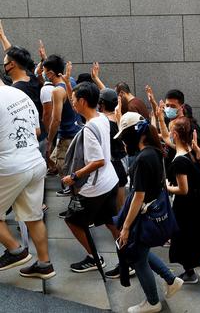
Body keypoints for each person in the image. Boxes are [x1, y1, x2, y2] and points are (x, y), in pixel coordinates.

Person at [115, 112, 183, 313]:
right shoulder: (155, 151)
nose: (124, 142)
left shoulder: (143, 158)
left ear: (135, 135)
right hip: (152, 211)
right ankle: (170, 279)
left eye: (124, 137)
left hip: (143, 214)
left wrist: (126, 227)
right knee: (141, 253)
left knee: (138, 258)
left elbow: (138, 196)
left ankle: (153, 302)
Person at [62, 82, 121, 273]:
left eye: (73, 100)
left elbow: (98, 161)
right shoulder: (103, 118)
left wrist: (73, 176)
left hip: (95, 186)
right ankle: (129, 256)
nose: (72, 103)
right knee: (110, 221)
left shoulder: (89, 129)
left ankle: (94, 258)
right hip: (110, 180)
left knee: (72, 220)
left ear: (82, 101)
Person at [0, 80, 55, 279]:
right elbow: (37, 130)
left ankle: (16, 252)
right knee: (33, 217)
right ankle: (44, 264)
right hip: (34, 162)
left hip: (10, 166)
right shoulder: (20, 95)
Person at [166, 117, 200, 284]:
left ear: (176, 134)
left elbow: (182, 189)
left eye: (171, 131)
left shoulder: (179, 160)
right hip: (197, 205)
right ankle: (196, 268)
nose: (169, 134)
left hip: (186, 208)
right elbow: (164, 138)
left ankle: (191, 272)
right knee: (198, 237)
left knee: (186, 239)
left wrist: (166, 187)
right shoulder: (190, 151)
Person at [42, 55, 81, 196]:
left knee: (63, 167)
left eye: (44, 71)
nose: (43, 74)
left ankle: (73, 198)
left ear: (51, 73)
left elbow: (56, 119)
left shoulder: (57, 91)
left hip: (66, 135)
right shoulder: (69, 80)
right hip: (77, 130)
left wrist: (49, 140)